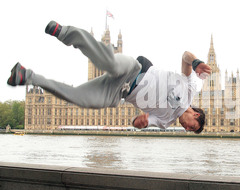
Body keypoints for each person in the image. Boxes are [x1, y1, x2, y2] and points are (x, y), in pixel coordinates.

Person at [7, 21, 212, 133]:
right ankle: (64, 32)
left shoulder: (166, 121)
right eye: (190, 127)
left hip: (119, 92)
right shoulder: (191, 88)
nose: (186, 128)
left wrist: (138, 122)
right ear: (195, 115)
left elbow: (141, 121)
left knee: (80, 98)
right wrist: (196, 62)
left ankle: (27, 76)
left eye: (188, 131)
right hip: (134, 71)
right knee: (109, 63)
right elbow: (185, 56)